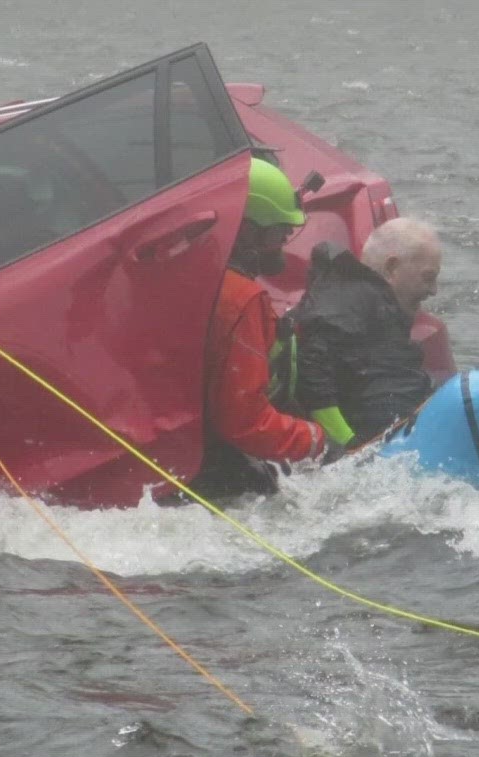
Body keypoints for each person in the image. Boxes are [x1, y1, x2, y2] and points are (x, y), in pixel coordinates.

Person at [185, 158, 338, 500]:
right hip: (216, 468)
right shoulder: (241, 301)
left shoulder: (193, 277)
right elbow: (245, 421)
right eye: (278, 232)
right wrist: (316, 440)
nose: (285, 240)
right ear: (246, 232)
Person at [285, 217, 442, 448]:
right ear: (392, 268)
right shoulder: (351, 305)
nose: (434, 290)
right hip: (364, 451)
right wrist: (350, 446)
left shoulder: (364, 303)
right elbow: (313, 370)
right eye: (428, 278)